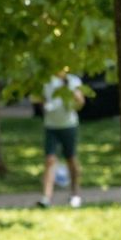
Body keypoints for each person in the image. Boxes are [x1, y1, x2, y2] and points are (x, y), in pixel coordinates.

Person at [38, 69, 86, 208]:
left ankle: (75, 194)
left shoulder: (73, 81)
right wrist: (45, 107)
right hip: (51, 126)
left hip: (69, 125)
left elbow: (80, 103)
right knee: (50, 160)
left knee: (71, 158)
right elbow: (40, 100)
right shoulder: (45, 81)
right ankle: (46, 197)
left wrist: (76, 98)